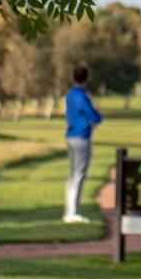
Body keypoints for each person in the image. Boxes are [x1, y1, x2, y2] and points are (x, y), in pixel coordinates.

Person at [63, 65, 102, 223]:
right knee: (78, 175)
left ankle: (69, 210)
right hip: (81, 137)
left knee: (72, 174)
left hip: (70, 136)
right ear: (86, 78)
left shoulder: (69, 94)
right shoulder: (82, 96)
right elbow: (95, 117)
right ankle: (72, 212)